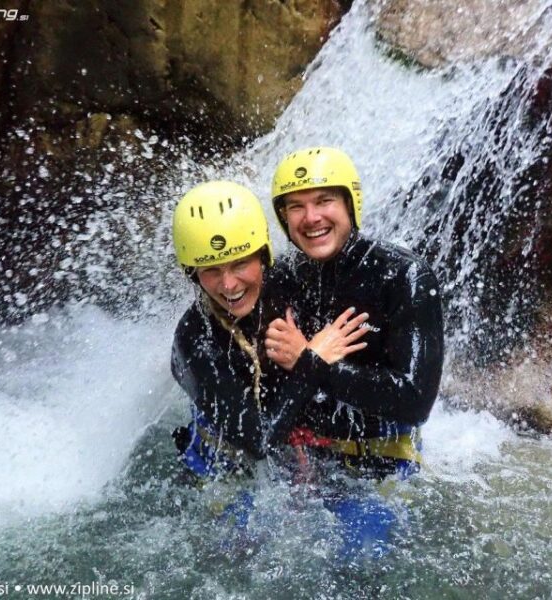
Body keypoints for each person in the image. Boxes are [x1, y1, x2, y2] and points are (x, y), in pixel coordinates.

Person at [265, 146, 445, 480]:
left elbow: (416, 403)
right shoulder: (281, 276)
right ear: (283, 218)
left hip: (381, 468)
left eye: (324, 201)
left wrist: (310, 362)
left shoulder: (404, 276)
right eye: (296, 207)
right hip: (298, 460)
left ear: (350, 205)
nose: (311, 217)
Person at [170, 180, 369, 481]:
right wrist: (309, 361)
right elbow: (258, 442)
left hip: (308, 456)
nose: (229, 285)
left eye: (239, 264)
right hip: (223, 472)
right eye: (211, 270)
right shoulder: (194, 338)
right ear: (193, 273)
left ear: (263, 255)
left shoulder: (296, 283)